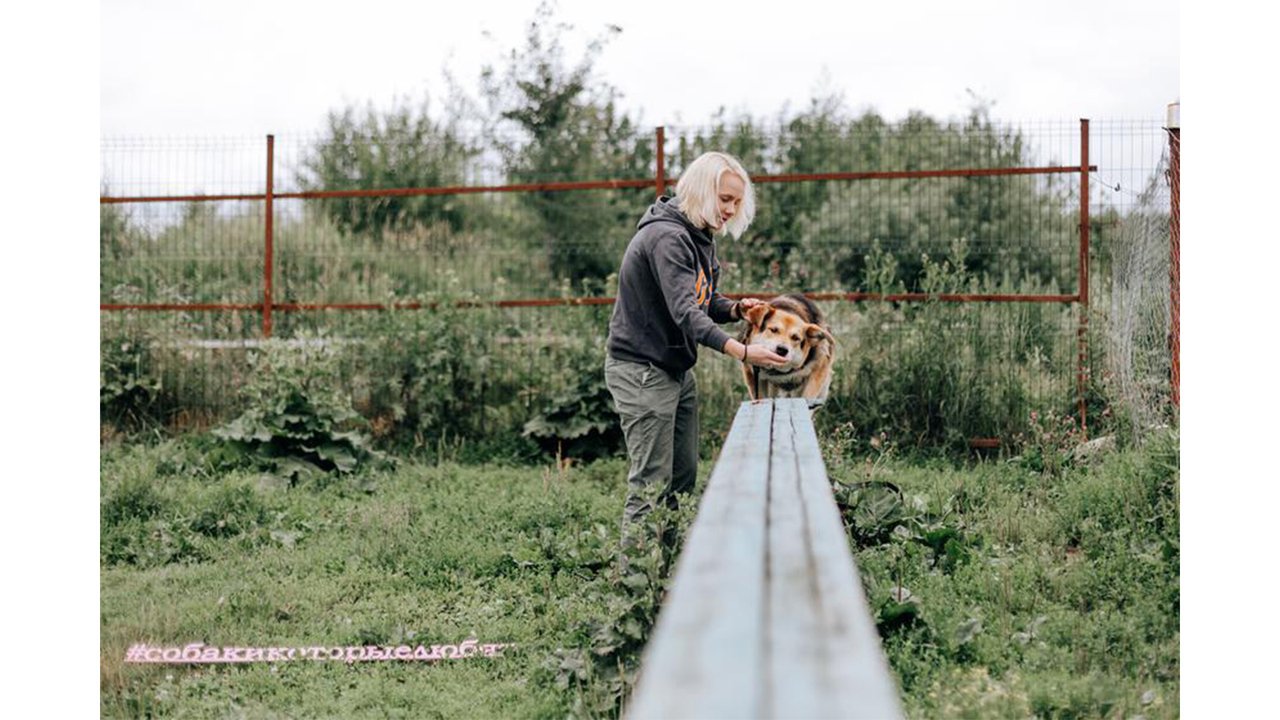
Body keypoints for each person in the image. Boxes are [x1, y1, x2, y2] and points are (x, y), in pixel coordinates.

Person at [604, 151, 787, 545]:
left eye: (737, 202)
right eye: (725, 199)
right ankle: (636, 591)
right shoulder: (667, 238)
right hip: (642, 371)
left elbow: (702, 299)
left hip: (674, 369)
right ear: (703, 191)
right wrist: (742, 351)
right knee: (651, 485)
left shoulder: (698, 236)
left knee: (683, 478)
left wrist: (736, 308)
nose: (731, 210)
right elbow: (686, 311)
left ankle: (668, 574)